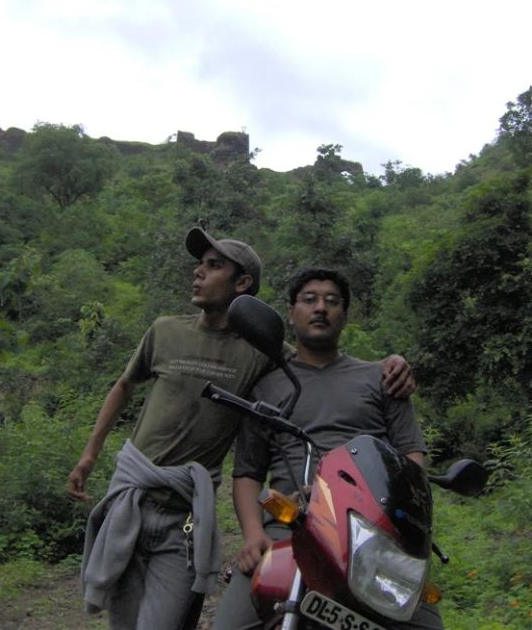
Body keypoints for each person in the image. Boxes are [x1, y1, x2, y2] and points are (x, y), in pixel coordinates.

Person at [67, 231, 415, 630]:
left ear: (242, 282)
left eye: (214, 265)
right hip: (132, 492)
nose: (198, 272)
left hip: (185, 510)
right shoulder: (165, 330)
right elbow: (125, 386)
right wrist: (90, 455)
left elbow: (314, 359)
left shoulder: (265, 354)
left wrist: (394, 362)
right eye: (200, 264)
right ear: (290, 310)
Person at [212, 266, 443, 630]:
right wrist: (254, 535)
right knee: (234, 622)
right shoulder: (267, 387)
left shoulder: (382, 379)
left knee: (419, 620)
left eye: (332, 301)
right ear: (290, 313)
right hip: (290, 522)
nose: (321, 308)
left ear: (345, 316)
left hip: (371, 530)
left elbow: (411, 457)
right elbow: (247, 474)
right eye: (309, 300)